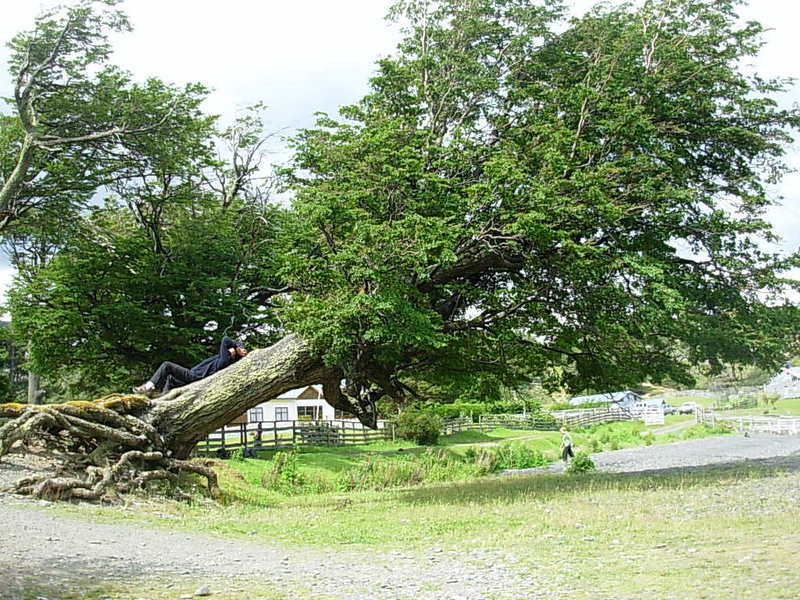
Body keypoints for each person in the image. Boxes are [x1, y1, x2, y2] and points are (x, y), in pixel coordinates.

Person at [133, 336, 248, 396]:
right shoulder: (225, 359)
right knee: (171, 379)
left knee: (167, 366)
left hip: (194, 376)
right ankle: (163, 398)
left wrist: (235, 346)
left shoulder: (225, 360)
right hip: (194, 377)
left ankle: (148, 387)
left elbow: (225, 339)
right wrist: (235, 348)